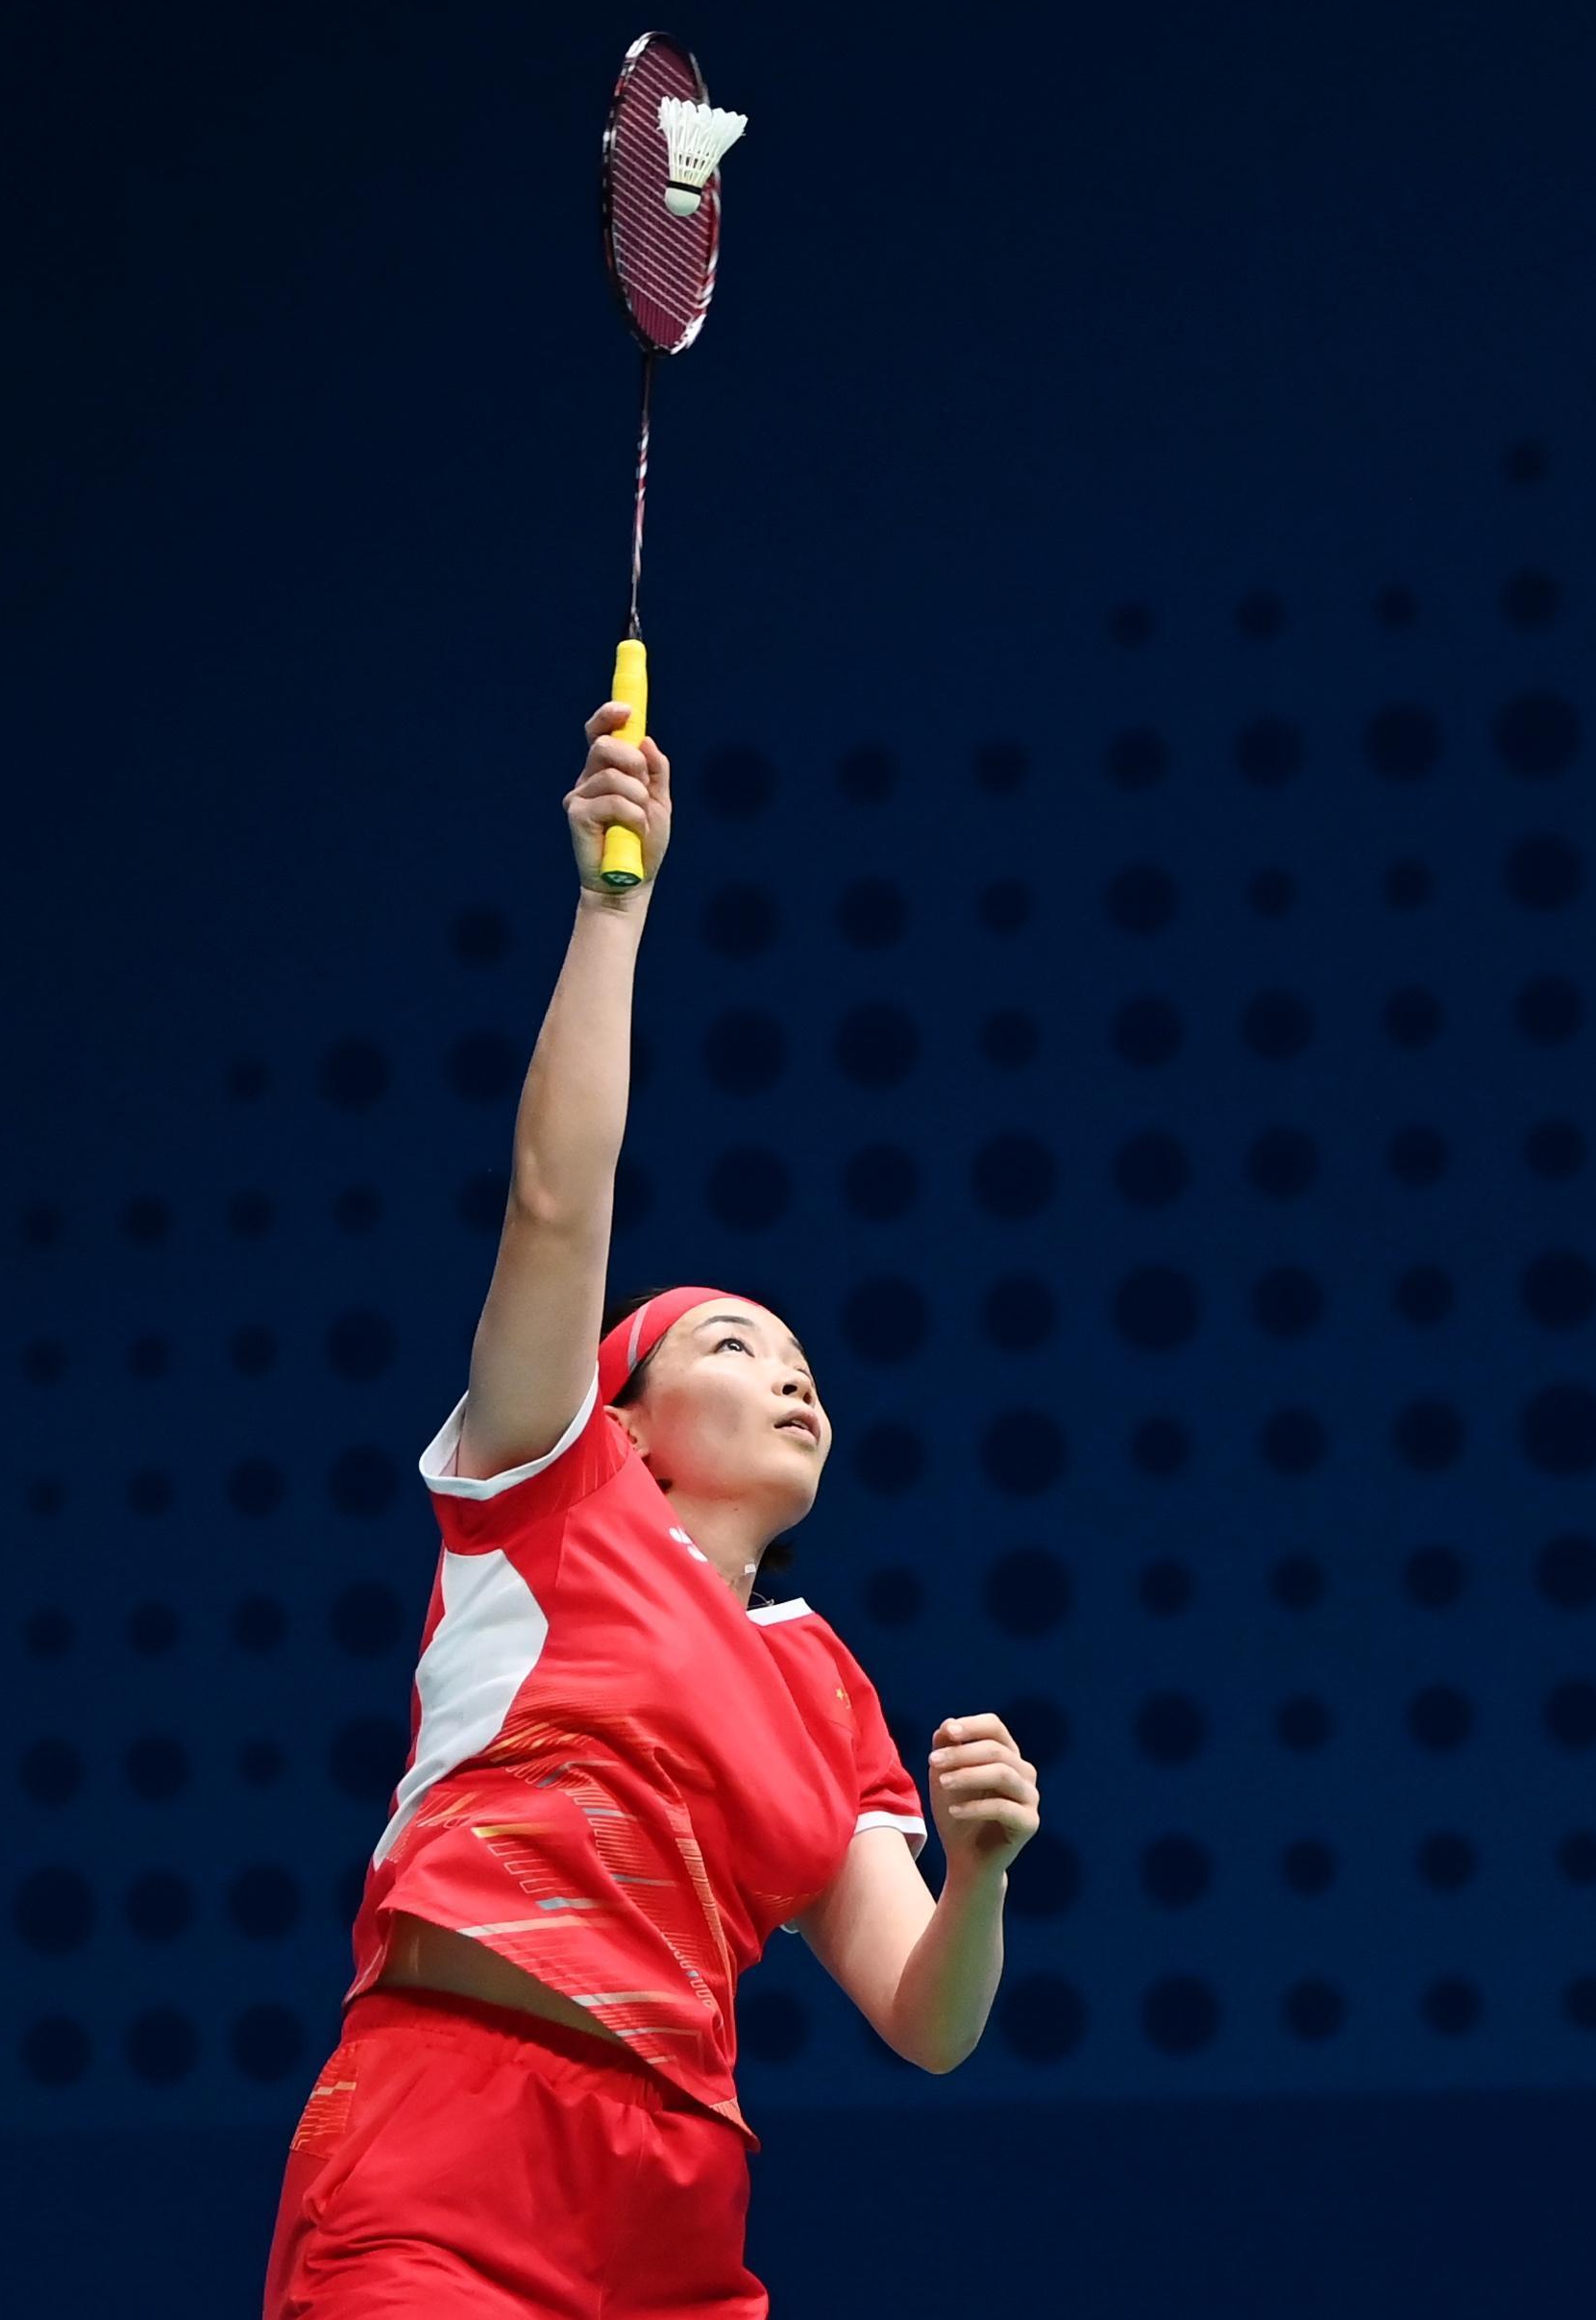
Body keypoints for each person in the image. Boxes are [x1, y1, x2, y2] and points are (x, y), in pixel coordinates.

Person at [261, 697, 1045, 2319]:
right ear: (625, 1413)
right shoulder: (549, 1493)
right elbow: (560, 1198)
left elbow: (928, 2014)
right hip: (453, 2141)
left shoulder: (824, 1686)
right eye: (733, 1338)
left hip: (676, 2211)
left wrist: (978, 1874)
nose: (790, 1373)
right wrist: (612, 905)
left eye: (804, 1357)